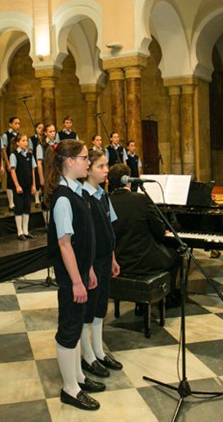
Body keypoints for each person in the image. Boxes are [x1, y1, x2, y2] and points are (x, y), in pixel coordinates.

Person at [44, 139, 104, 411]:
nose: (87, 162)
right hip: (71, 278)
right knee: (68, 330)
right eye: (83, 158)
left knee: (79, 323)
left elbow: (83, 239)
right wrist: (77, 280)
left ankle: (78, 377)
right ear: (69, 162)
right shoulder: (62, 198)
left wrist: (89, 267)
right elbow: (65, 243)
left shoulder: (77, 192)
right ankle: (69, 388)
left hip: (81, 272)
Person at [108, 163, 181, 302]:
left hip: (119, 260)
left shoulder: (107, 202)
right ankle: (168, 296)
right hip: (143, 261)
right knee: (176, 256)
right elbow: (159, 232)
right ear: (128, 180)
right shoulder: (140, 199)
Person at [80, 149, 122, 379]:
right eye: (101, 166)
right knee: (88, 310)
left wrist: (113, 257)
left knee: (100, 308)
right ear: (88, 170)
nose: (106, 170)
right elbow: (86, 237)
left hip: (106, 258)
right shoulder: (83, 198)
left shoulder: (103, 195)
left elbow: (109, 229)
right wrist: (88, 267)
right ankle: (87, 356)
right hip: (92, 261)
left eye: (106, 166)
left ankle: (98, 351)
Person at [9, 133, 37, 240]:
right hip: (19, 186)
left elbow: (33, 171)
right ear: (18, 143)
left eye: (27, 141)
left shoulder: (30, 155)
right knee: (19, 208)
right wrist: (17, 185)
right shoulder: (14, 155)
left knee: (27, 208)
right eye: (24, 140)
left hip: (28, 185)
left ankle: (25, 230)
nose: (26, 143)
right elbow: (13, 171)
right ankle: (19, 231)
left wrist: (33, 185)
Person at [36, 123, 56, 225]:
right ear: (45, 133)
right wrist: (42, 178)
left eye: (54, 131)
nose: (53, 134)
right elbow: (39, 164)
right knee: (46, 198)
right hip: (46, 174)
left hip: (55, 175)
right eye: (50, 131)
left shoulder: (57, 145)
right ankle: (46, 222)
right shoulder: (41, 146)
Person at [2, 116, 21, 211]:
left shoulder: (18, 135)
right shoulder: (6, 135)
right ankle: (11, 203)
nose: (17, 125)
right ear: (10, 124)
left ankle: (17, 201)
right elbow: (4, 150)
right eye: (15, 123)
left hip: (18, 160)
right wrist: (7, 163)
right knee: (10, 181)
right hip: (10, 160)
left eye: (18, 123)